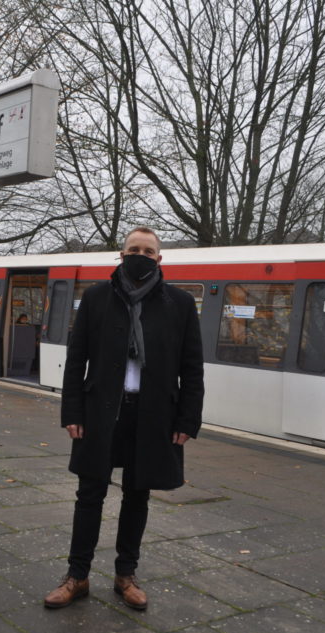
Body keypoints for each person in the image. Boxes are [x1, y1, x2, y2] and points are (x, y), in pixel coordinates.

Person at [44, 227, 204, 611]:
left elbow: (192, 368)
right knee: (89, 495)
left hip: (153, 415)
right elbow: (76, 360)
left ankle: (125, 575)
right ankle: (77, 576)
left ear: (159, 259)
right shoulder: (97, 298)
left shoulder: (180, 304)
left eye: (148, 251)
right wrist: (72, 411)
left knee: (138, 495)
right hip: (100, 412)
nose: (141, 255)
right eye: (134, 249)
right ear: (121, 254)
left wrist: (187, 420)